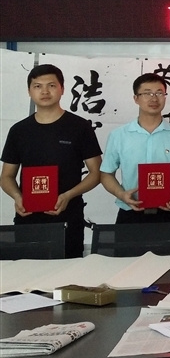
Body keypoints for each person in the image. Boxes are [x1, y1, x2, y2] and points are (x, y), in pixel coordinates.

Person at [0, 64, 102, 258]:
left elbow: (96, 173)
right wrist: (17, 197)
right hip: (27, 219)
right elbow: (6, 176)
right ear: (29, 91)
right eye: (38, 86)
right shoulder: (19, 131)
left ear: (62, 89)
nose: (45, 91)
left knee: (68, 271)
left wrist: (68, 195)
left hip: (68, 218)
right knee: (28, 273)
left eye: (51, 85)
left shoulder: (80, 127)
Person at [100, 73, 170, 224]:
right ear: (136, 98)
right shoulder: (119, 135)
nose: (154, 98)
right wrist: (121, 194)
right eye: (147, 93)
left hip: (169, 213)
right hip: (130, 213)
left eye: (159, 93)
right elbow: (106, 174)